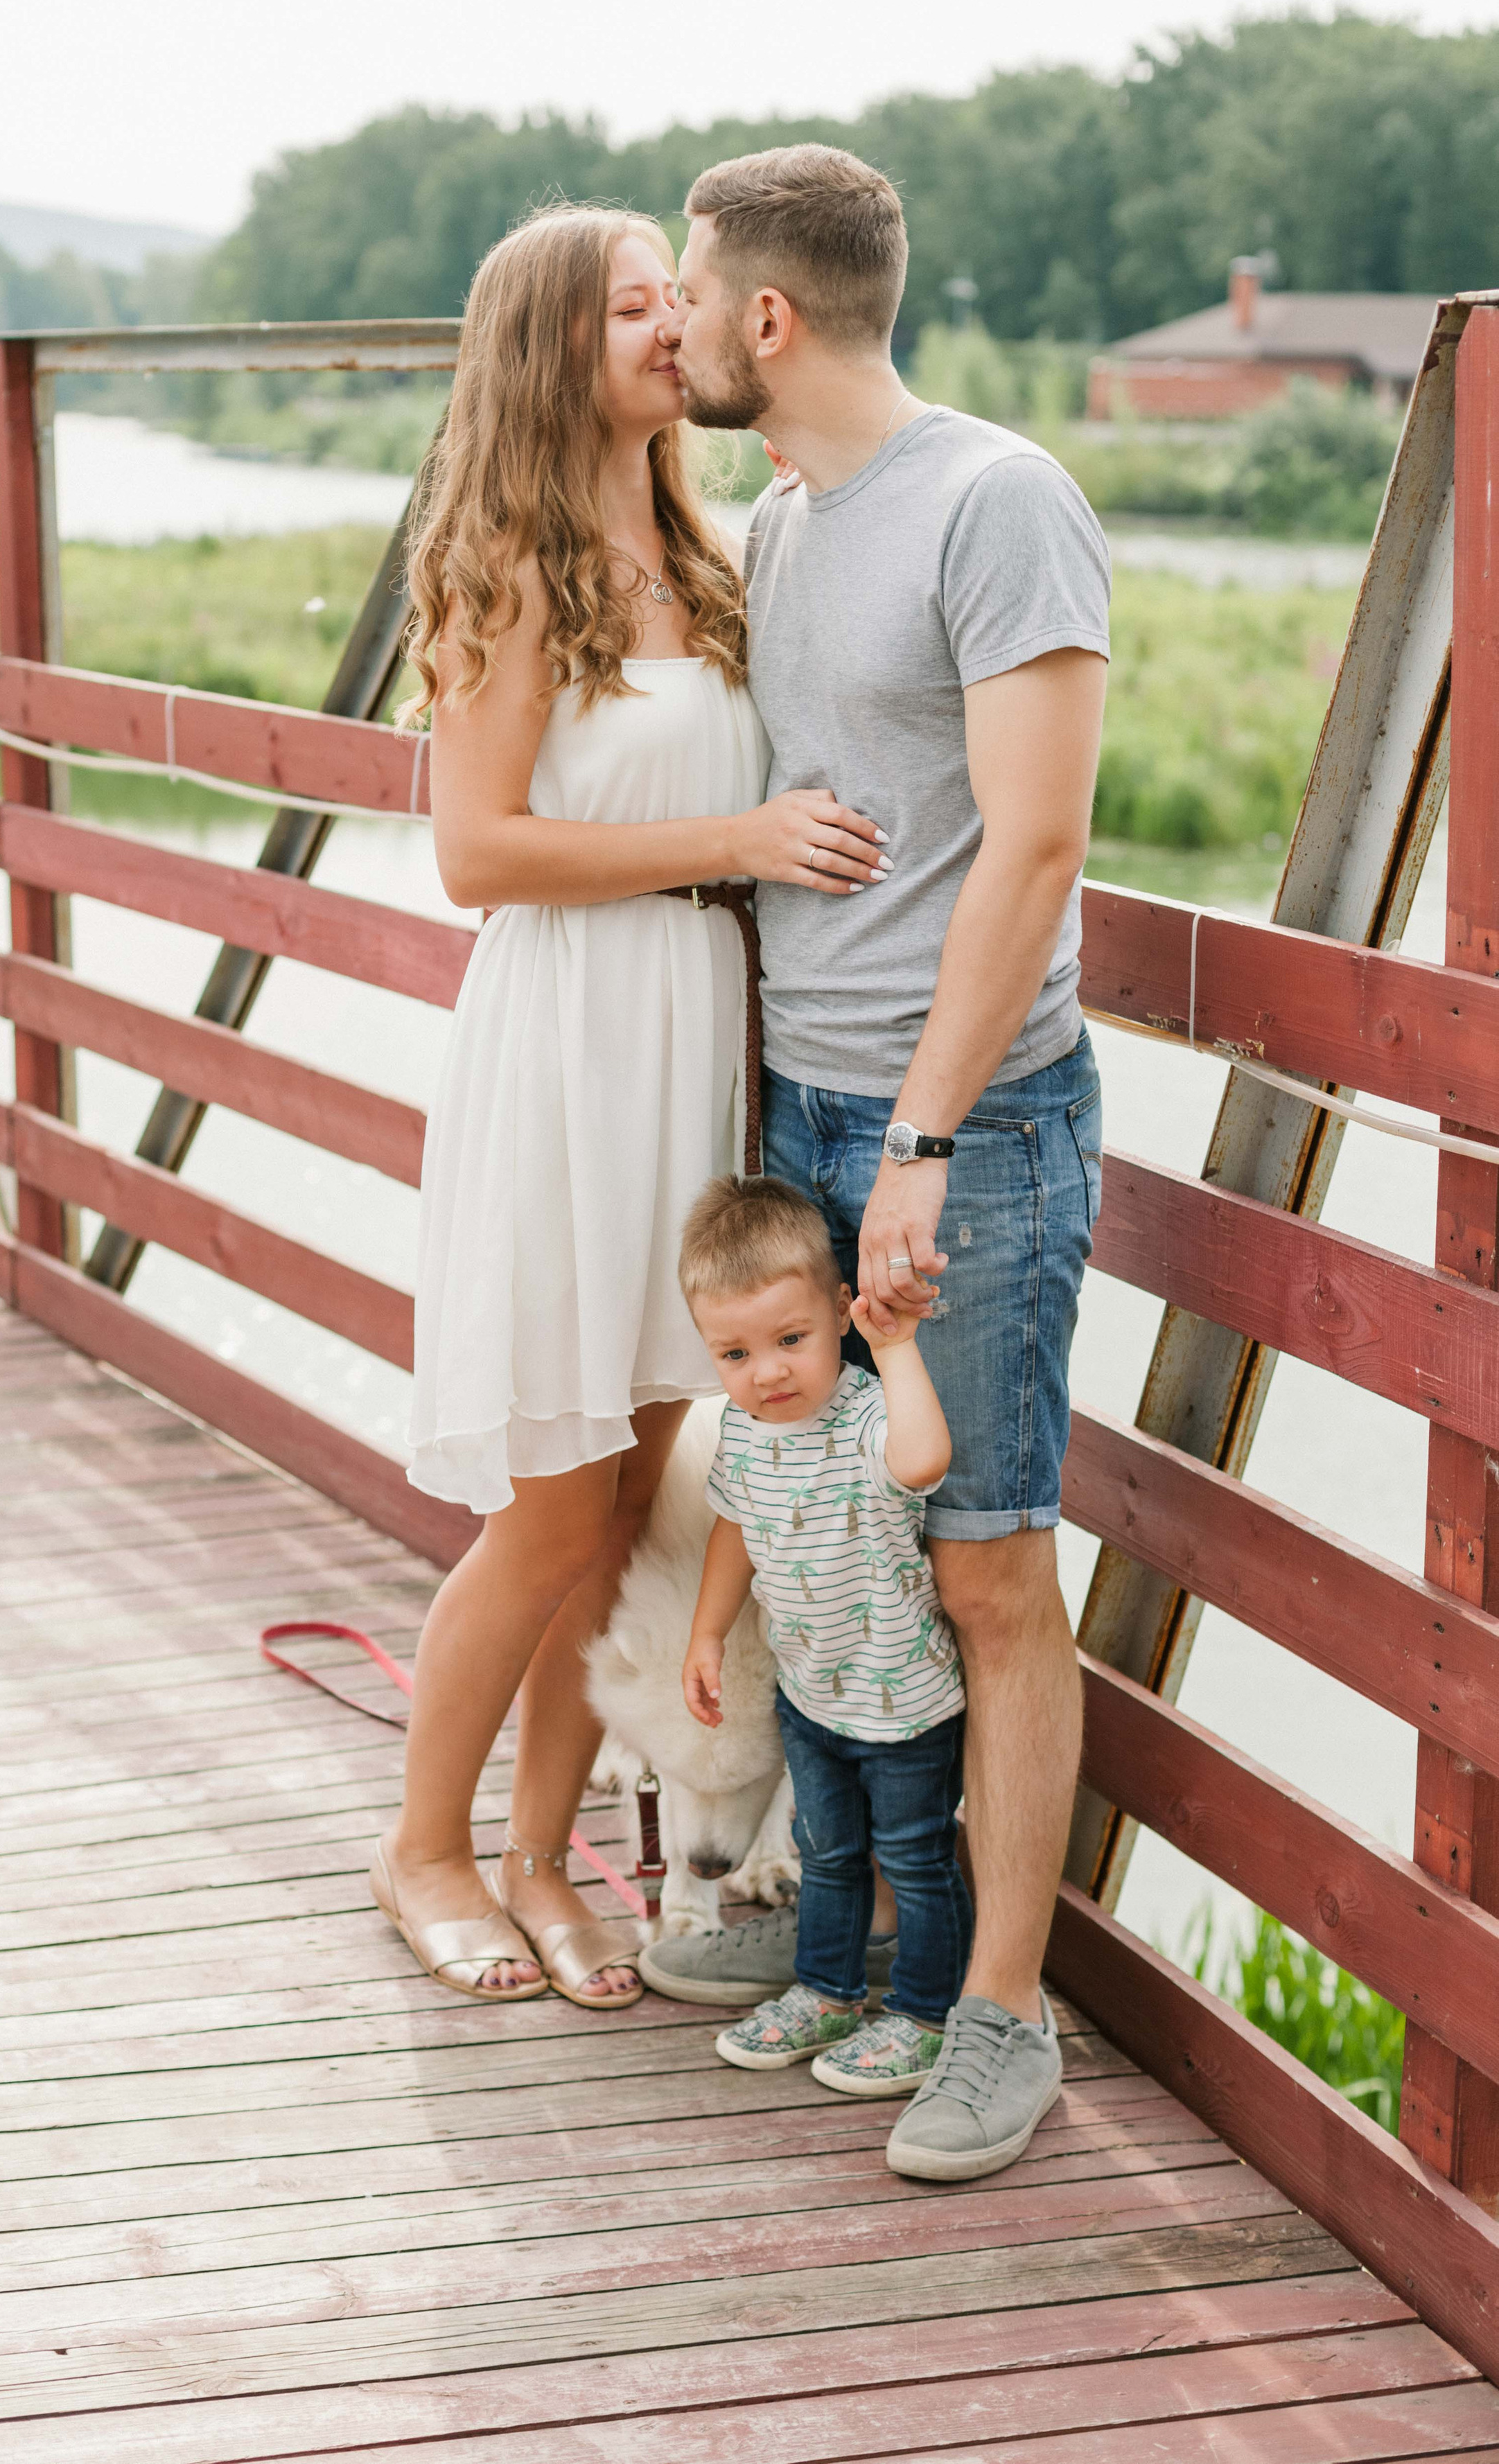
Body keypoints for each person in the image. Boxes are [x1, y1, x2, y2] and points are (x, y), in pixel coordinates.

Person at [373, 202, 891, 2007]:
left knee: (617, 1500)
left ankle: (539, 1853)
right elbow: (474, 850)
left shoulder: (713, 542)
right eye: (629, 307)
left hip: (688, 1038)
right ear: (546, 353)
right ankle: (427, 1850)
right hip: (571, 1046)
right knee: (549, 1507)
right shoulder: (512, 561)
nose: (672, 325)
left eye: (676, 296)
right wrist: (737, 841)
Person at [656, 144, 1110, 2176]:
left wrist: (924, 1132)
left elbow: (1035, 843)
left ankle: (1004, 2014)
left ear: (773, 316)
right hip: (808, 1113)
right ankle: (862, 1955)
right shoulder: (777, 516)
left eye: (686, 287)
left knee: (990, 1565)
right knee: (835, 1537)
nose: (668, 319)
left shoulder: (997, 499)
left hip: (971, 1120)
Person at [676, 1177, 980, 2127]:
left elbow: (924, 1461)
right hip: (812, 1697)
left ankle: (928, 2014)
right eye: (735, 1352)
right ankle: (826, 1992)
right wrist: (707, 1631)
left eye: (790, 1340)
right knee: (829, 1853)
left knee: (918, 1861)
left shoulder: (860, 1415)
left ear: (835, 1319)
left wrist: (896, 1351)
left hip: (904, 1704)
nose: (767, 1372)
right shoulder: (744, 1430)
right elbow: (733, 1526)